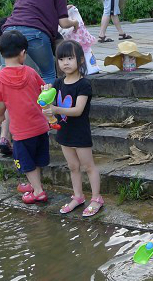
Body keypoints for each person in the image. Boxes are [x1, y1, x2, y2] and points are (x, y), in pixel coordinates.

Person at [41, 40, 103, 217]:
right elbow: (47, 102)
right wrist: (45, 95)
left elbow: (77, 110)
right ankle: (78, 196)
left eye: (70, 58)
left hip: (80, 133)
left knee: (88, 166)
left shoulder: (84, 85)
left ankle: (96, 198)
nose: (65, 62)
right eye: (61, 59)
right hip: (64, 132)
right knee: (73, 166)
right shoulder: (58, 83)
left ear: (81, 60)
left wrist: (56, 109)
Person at [0, 30, 50, 204]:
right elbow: (43, 91)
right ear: (23, 53)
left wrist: (0, 117)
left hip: (21, 131)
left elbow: (0, 105)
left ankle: (38, 191)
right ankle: (35, 184)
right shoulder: (31, 72)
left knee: (25, 161)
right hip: (40, 126)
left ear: (1, 53)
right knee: (37, 158)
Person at [2, 0, 78, 84]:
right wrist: (74, 23)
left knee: (12, 74)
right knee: (48, 73)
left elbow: (32, 8)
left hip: (9, 31)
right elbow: (63, 23)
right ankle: (48, 103)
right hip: (34, 34)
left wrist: (63, 9)